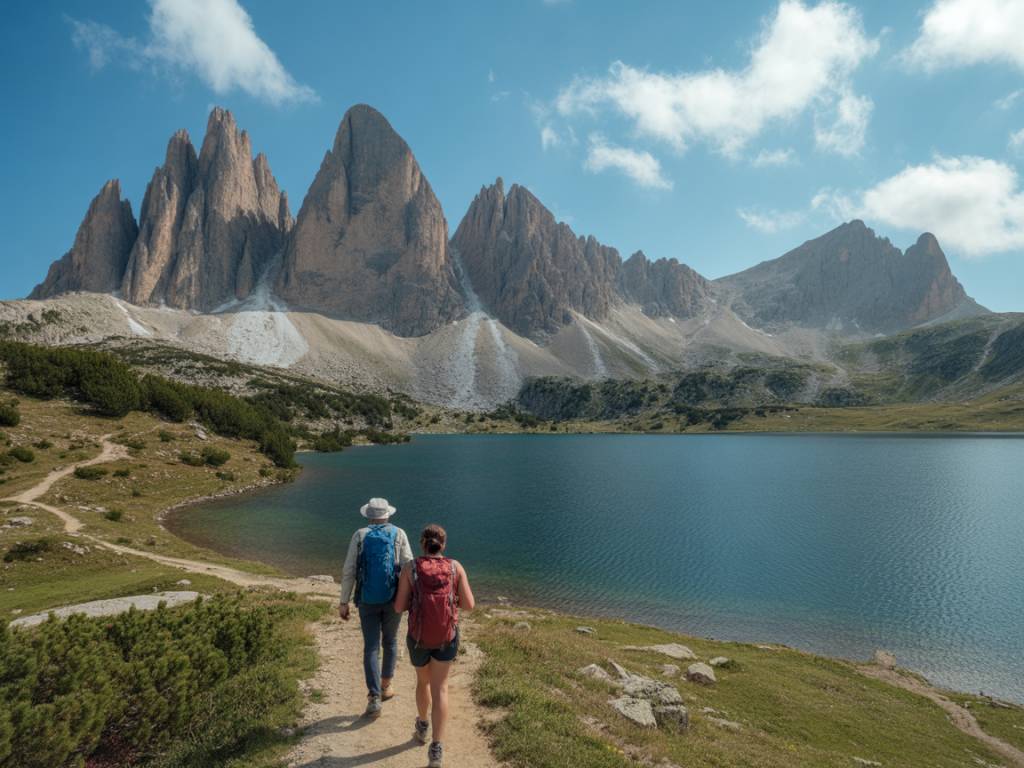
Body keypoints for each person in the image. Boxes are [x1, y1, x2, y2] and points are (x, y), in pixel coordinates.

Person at [393, 524, 475, 768]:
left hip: (418, 637)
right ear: (443, 544)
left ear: (421, 544)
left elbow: (398, 607)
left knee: (423, 682)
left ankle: (422, 725)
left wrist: (416, 601)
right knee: (441, 688)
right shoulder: (455, 567)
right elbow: (470, 605)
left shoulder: (411, 568)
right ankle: (436, 748)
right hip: (446, 637)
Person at [339, 497, 414, 718]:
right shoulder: (399, 533)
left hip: (366, 600)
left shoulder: (360, 535)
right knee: (390, 641)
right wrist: (409, 597)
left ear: (369, 516)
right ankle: (386, 686)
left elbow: (349, 570)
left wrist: (344, 601)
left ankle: (373, 698)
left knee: (371, 647)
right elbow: (409, 565)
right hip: (393, 599)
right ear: (387, 515)